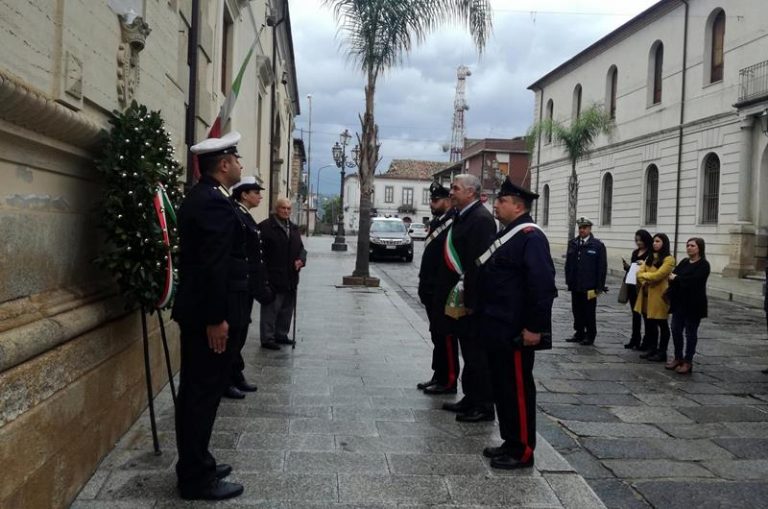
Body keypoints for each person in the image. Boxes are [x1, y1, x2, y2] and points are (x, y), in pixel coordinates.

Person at [171, 132, 247, 501]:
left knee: (197, 393)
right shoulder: (213, 203)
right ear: (223, 164)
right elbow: (212, 266)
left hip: (198, 310)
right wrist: (217, 318)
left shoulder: (206, 197)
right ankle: (196, 477)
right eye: (237, 159)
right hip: (207, 315)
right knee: (201, 395)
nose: (241, 165)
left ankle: (197, 461)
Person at [477, 179, 557, 470]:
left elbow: (542, 286)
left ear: (518, 206)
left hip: (516, 330)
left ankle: (523, 450)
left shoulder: (530, 237)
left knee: (518, 391)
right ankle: (510, 441)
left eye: (502, 201)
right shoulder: (508, 234)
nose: (496, 205)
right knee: (503, 389)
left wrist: (535, 328)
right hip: (498, 327)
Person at [435, 174, 497, 423]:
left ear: (470, 192)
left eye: (456, 188)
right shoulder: (463, 216)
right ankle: (470, 398)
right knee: (468, 353)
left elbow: (478, 264)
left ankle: (483, 405)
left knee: (477, 355)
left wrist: (472, 301)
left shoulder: (481, 219)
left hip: (472, 301)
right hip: (459, 297)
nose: (451, 192)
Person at [223, 176, 271, 399]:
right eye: (256, 192)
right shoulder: (236, 214)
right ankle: (226, 380)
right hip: (238, 284)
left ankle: (235, 374)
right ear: (243, 194)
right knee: (234, 334)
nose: (260, 196)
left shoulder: (245, 215)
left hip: (247, 284)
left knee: (240, 332)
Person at [416, 182, 459, 395]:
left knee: (446, 336)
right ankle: (438, 374)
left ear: (448, 201)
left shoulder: (453, 223)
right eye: (431, 200)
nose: (432, 203)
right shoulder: (437, 223)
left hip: (443, 289)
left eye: (436, 200)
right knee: (436, 335)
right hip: (430, 289)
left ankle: (449, 379)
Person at [259, 198, 307, 349]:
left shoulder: (293, 228)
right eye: (283, 208)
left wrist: (301, 260)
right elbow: (259, 254)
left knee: (286, 309)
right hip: (273, 276)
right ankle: (267, 338)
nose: (286, 211)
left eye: (288, 209)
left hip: (291, 276)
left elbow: (301, 249)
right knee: (271, 309)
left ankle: (281, 334)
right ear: (276, 209)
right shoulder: (265, 227)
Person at [666, 238, 710, 374]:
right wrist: (676, 279)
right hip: (679, 303)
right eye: (687, 245)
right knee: (675, 329)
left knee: (690, 333)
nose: (689, 248)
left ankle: (688, 361)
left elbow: (695, 281)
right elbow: (673, 275)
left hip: (694, 304)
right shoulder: (684, 262)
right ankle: (678, 357)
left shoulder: (703, 264)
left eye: (692, 245)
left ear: (699, 248)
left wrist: (678, 279)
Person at [564, 216, 607, 345]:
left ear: (589, 229)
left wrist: (600, 285)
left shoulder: (597, 245)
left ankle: (590, 335)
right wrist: (568, 279)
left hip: (590, 285)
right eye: (580, 228)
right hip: (576, 284)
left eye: (584, 228)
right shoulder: (573, 243)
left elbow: (602, 267)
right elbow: (569, 264)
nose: (582, 230)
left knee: (589, 311)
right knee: (577, 310)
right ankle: (579, 332)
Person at [635, 233, 675, 363]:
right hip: (647, 294)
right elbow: (639, 273)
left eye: (658, 241)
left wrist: (645, 277)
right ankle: (652, 348)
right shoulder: (650, 257)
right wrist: (644, 277)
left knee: (662, 324)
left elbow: (659, 275)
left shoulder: (669, 259)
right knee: (650, 323)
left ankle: (662, 351)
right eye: (654, 241)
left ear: (664, 243)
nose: (655, 244)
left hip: (659, 296)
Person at [622, 230, 653, 350]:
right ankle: (635, 338)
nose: (638, 242)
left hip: (644, 286)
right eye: (637, 240)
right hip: (632, 284)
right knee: (635, 313)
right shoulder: (635, 252)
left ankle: (647, 340)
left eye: (640, 240)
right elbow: (633, 268)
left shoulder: (650, 253)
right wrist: (627, 268)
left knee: (645, 314)